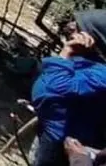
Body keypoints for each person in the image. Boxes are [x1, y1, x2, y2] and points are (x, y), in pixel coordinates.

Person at [31, 24, 106, 166]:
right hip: (63, 136)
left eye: (79, 27)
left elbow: (51, 88)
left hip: (67, 144)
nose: (71, 29)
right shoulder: (89, 62)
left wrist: (67, 52)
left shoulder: (102, 74)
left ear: (94, 39)